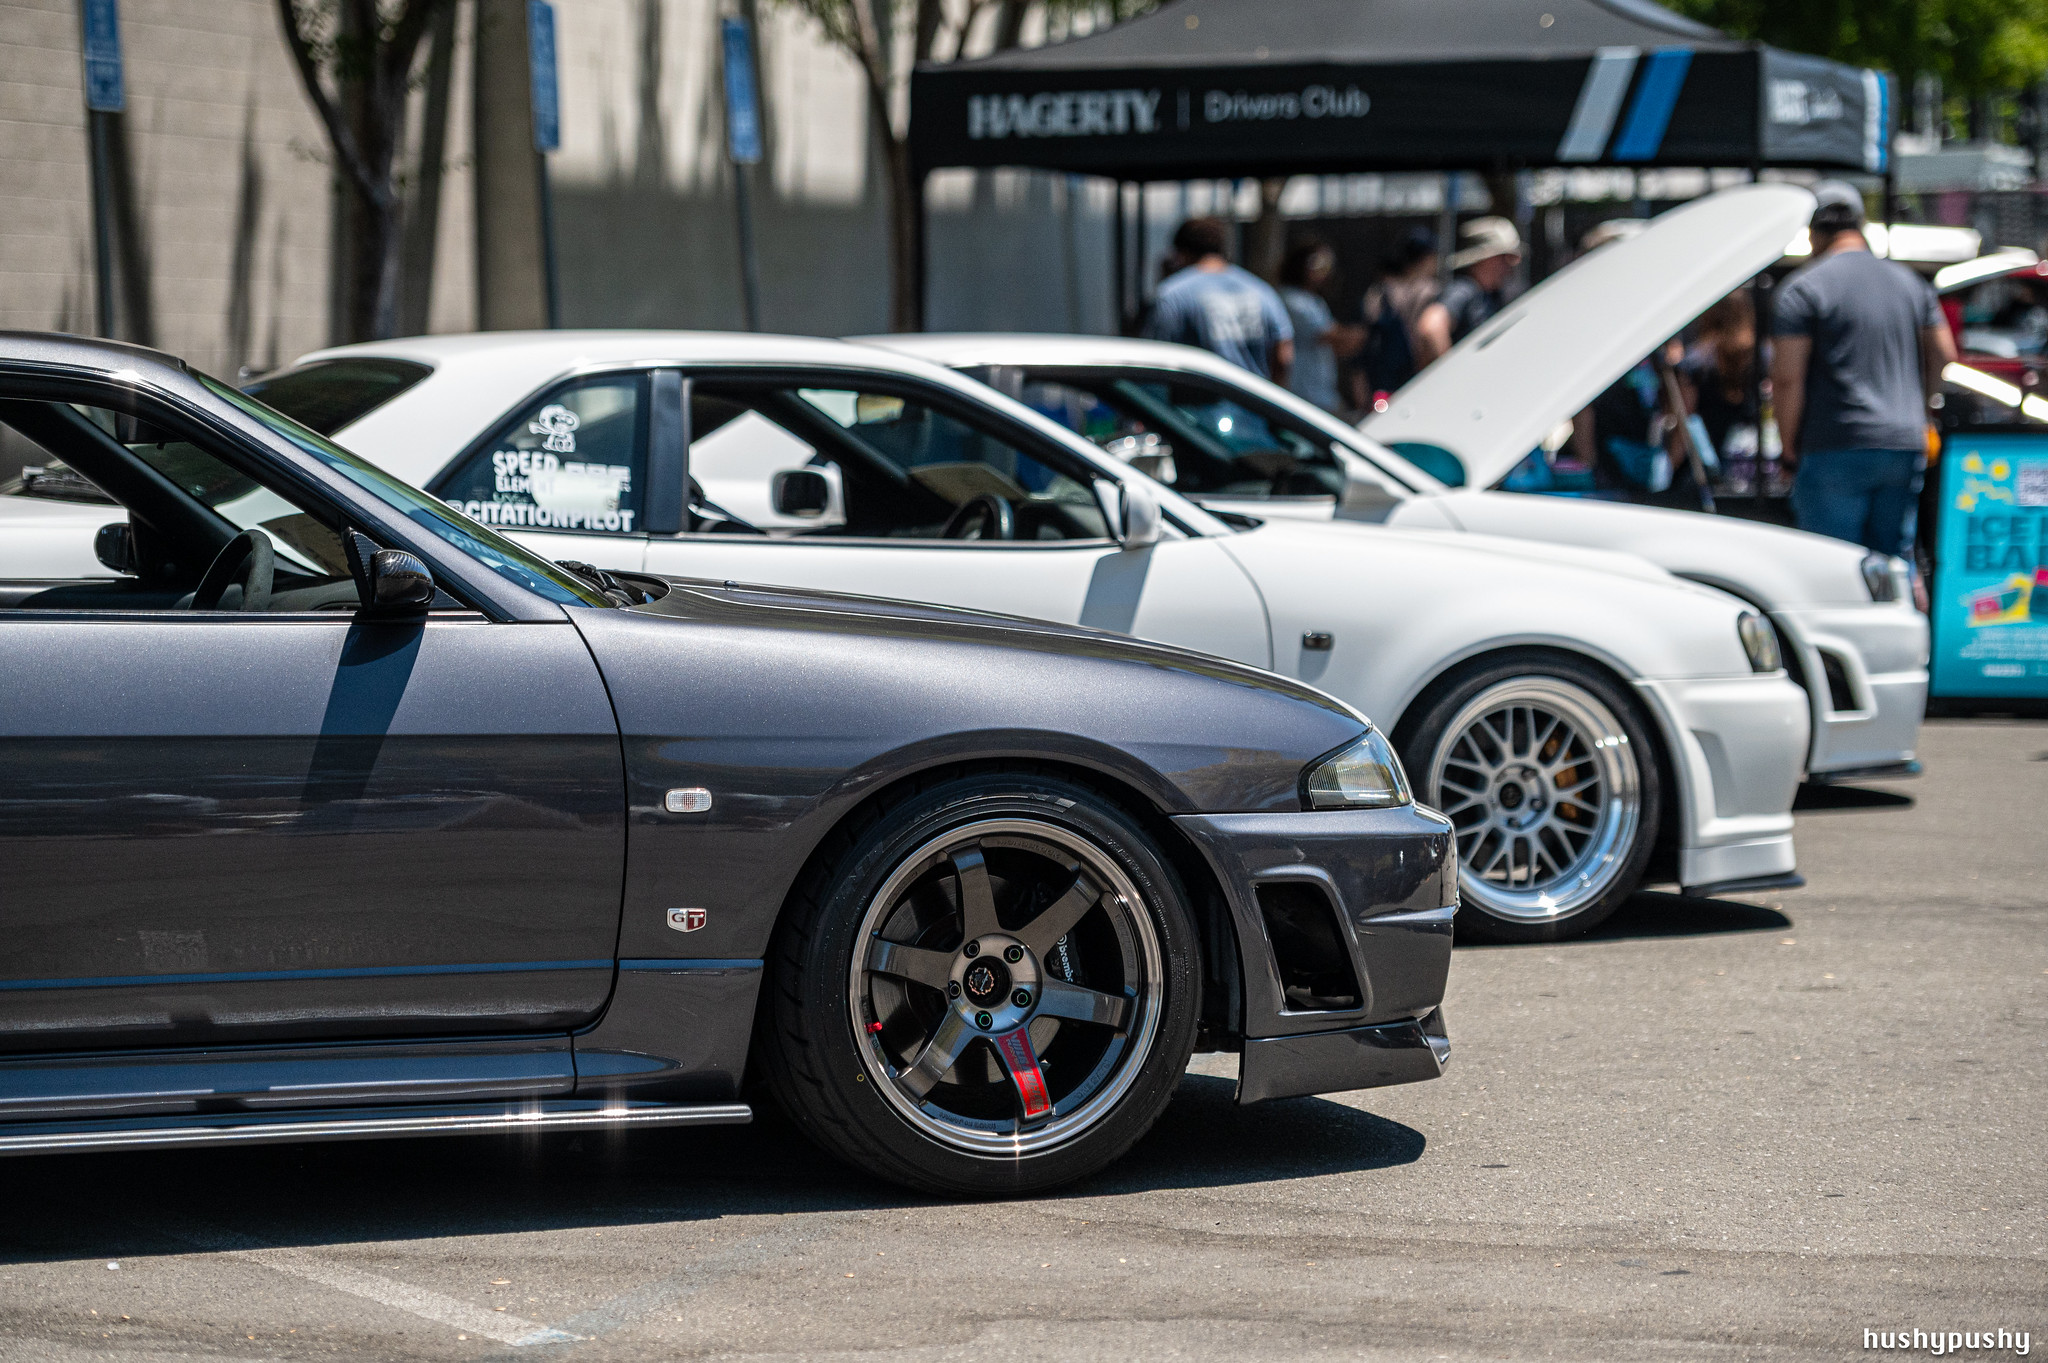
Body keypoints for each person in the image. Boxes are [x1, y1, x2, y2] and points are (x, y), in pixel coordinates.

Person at [1770, 181, 1955, 556]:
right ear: (1861, 224)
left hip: (1834, 442)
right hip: (1904, 442)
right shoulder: (1911, 283)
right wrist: (1919, 409)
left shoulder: (1802, 289)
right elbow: (1945, 356)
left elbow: (1787, 379)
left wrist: (1788, 449)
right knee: (1892, 563)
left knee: (1831, 564)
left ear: (1813, 232)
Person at [1144, 217, 1294, 382]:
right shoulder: (1261, 290)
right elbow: (1283, 355)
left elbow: (1157, 359)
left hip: (1194, 398)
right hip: (1253, 396)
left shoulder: (1173, 294)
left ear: (1180, 253)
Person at [1413, 216, 1522, 366]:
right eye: (1504, 257)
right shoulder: (1463, 290)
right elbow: (1431, 327)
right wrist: (1450, 371)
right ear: (1485, 259)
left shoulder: (1492, 295)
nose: (1511, 265)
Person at [1276, 240, 1363, 414]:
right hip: (1303, 394)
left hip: (1321, 392)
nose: (1324, 271)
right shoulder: (1291, 299)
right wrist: (1364, 333)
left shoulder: (1314, 301)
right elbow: (1331, 336)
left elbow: (1341, 345)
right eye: (1318, 263)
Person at [1359, 226, 1438, 399]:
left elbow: (1364, 339)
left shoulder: (1379, 291)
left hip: (1379, 385)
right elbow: (1424, 340)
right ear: (1427, 258)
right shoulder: (1428, 291)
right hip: (1413, 382)